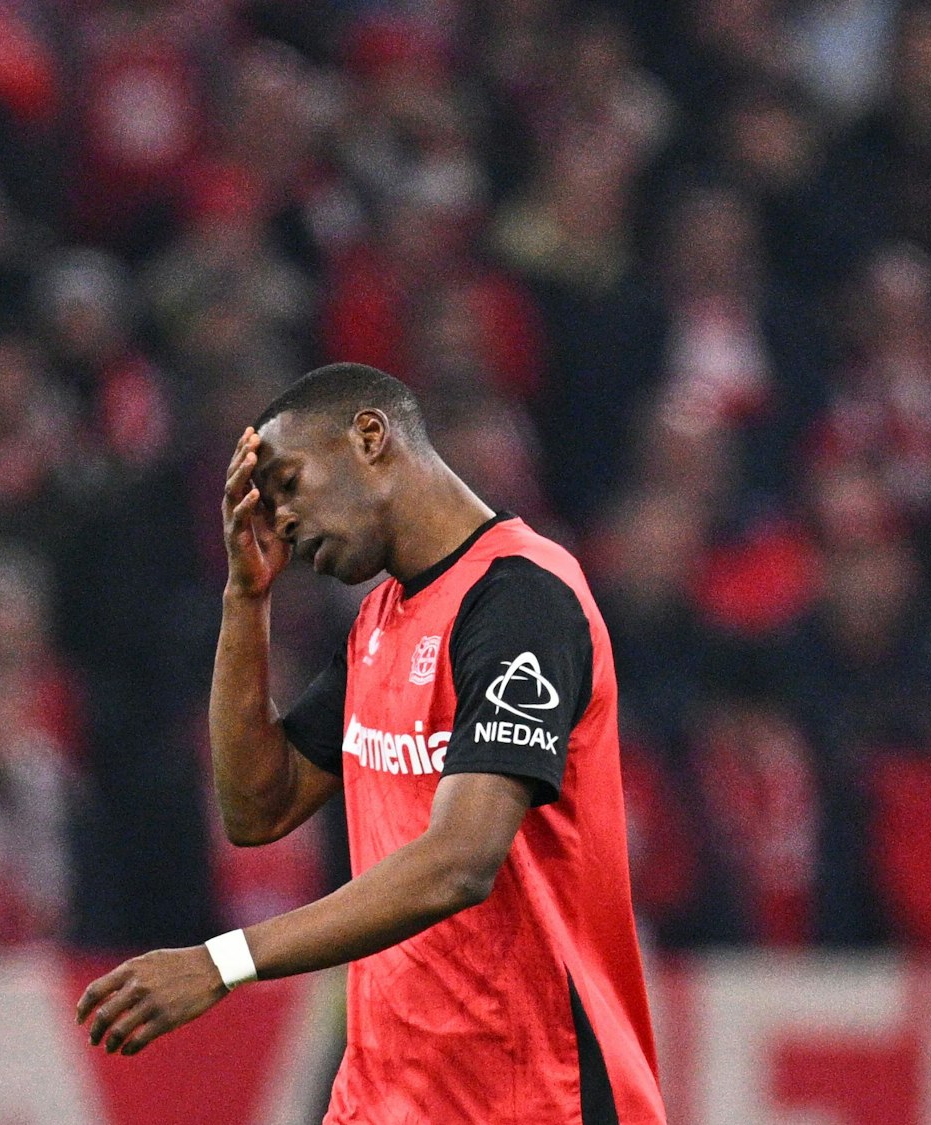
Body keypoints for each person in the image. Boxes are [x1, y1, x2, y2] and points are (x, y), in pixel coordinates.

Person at [77, 363, 664, 1124]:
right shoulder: (380, 623)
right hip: (385, 1099)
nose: (280, 517)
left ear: (369, 436)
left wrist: (223, 962)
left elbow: (459, 862)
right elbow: (258, 807)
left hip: (533, 1097)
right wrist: (244, 597)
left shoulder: (522, 600)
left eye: (288, 482)